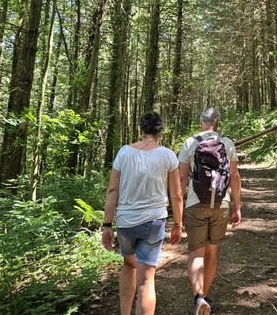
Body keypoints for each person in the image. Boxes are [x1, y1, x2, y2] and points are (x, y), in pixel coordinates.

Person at [102, 111, 183, 315]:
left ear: (141, 130)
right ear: (160, 132)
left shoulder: (124, 152)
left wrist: (106, 225)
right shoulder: (167, 155)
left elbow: (112, 190)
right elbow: (177, 194)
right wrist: (178, 224)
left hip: (126, 222)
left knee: (129, 266)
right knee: (147, 279)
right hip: (154, 222)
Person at [178, 107, 242, 315]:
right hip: (221, 204)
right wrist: (237, 206)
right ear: (218, 122)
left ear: (201, 122)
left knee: (196, 253)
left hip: (195, 204)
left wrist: (177, 212)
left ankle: (199, 298)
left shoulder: (190, 143)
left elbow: (181, 179)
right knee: (212, 250)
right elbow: (235, 177)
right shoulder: (227, 143)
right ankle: (204, 296)